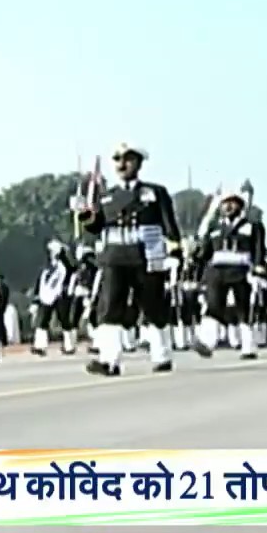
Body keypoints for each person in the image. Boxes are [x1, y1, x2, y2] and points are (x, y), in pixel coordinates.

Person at [76, 143, 183, 376]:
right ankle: (109, 360)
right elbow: (97, 227)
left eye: (128, 159)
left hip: (146, 255)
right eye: (117, 160)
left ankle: (162, 354)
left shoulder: (155, 192)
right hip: (114, 256)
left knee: (153, 307)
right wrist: (86, 217)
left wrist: (174, 254)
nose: (122, 164)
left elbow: (169, 225)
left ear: (138, 163)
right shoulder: (107, 197)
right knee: (109, 309)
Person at [191, 188, 267, 360]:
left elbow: (259, 249)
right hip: (217, 271)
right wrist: (196, 253)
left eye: (232, 202)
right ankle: (207, 342)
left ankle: (248, 347)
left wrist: (259, 267)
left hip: (241, 270)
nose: (228, 206)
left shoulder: (252, 225)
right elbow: (206, 252)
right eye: (225, 203)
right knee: (213, 306)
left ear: (240, 205)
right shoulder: (215, 226)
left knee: (243, 309)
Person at [30, 239, 76, 357]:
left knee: (64, 320)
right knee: (43, 320)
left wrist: (67, 291)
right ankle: (40, 346)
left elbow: (71, 276)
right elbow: (41, 282)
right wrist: (36, 299)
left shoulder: (65, 265)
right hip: (47, 296)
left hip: (61, 295)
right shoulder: (48, 266)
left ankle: (69, 346)